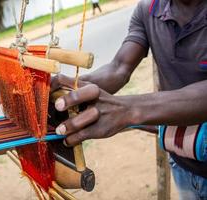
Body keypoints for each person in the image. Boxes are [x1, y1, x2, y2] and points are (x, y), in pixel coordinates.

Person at [51, 0, 207, 199]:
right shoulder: (148, 10)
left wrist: (129, 110)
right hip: (183, 161)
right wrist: (70, 88)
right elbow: (118, 68)